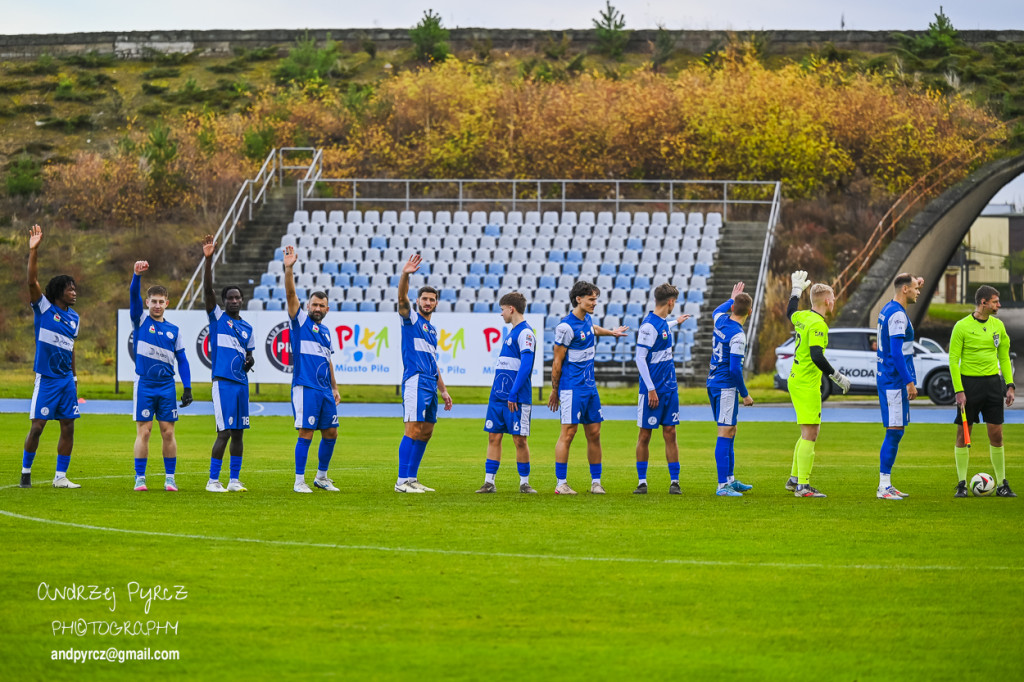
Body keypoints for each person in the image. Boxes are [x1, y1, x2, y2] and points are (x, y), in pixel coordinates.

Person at [547, 281, 628, 495]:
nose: (594, 303)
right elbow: (557, 362)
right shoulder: (565, 327)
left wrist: (611, 333)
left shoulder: (587, 320)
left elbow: (592, 330)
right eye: (591, 299)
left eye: (595, 299)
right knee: (568, 433)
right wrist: (555, 390)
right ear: (578, 299)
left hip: (590, 388)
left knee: (594, 433)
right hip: (572, 388)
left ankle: (596, 482)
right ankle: (561, 483)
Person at [19, 224, 81, 489]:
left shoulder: (74, 318)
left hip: (66, 380)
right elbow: (31, 281)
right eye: (70, 289)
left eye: (75, 289)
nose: (74, 292)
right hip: (46, 379)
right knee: (37, 427)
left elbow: (70, 348)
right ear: (58, 291)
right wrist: (34, 251)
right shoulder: (44, 308)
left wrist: (75, 378)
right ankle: (26, 472)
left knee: (68, 426)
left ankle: (60, 477)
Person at [785, 271, 851, 498]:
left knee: (807, 431)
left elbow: (790, 312)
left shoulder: (804, 316)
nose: (834, 302)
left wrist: (796, 291)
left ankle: (795, 479)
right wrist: (837, 376)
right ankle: (803, 486)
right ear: (828, 301)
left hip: (796, 379)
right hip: (806, 383)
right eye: (833, 299)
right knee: (811, 433)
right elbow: (816, 355)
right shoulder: (818, 325)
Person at [129, 260, 193, 492]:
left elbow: (182, 360)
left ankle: (170, 478)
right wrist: (136, 276)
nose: (157, 305)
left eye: (160, 301)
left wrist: (187, 387)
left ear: (167, 303)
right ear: (147, 303)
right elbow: (133, 297)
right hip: (145, 384)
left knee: (168, 432)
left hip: (166, 386)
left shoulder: (174, 330)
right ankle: (140, 478)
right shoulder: (140, 321)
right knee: (144, 431)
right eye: (153, 301)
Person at [283, 245, 342, 494]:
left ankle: (321, 477)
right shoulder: (300, 322)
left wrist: (335, 387)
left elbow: (328, 361)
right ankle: (299, 481)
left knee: (331, 432)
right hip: (306, 387)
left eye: (321, 306)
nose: (317, 308)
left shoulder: (326, 332)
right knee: (306, 432)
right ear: (308, 306)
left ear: (327, 309)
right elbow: (290, 295)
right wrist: (289, 269)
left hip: (325, 390)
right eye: (314, 304)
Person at [949, 285, 1016, 498]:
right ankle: (961, 484)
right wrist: (959, 390)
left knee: (997, 435)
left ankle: (1002, 484)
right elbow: (953, 360)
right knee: (963, 434)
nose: (999, 305)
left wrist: (1009, 385)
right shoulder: (961, 326)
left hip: (993, 385)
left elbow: (1004, 356)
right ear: (983, 302)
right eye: (995, 301)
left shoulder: (998, 326)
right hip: (969, 386)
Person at [395, 254, 453, 493]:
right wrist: (405, 275)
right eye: (424, 299)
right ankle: (401, 481)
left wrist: (444, 390)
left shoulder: (432, 330)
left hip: (430, 383)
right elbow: (401, 299)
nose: (428, 302)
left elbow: (433, 361)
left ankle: (412, 478)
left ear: (436, 303)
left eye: (432, 299)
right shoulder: (411, 319)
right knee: (412, 429)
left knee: (426, 431)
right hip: (416, 381)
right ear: (418, 301)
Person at [201, 235, 255, 493]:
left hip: (241, 384)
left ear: (242, 300)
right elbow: (207, 291)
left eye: (237, 298)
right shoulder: (217, 319)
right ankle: (213, 481)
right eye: (230, 298)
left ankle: (234, 480)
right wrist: (208, 260)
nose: (234, 301)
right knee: (223, 432)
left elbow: (249, 355)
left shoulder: (248, 328)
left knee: (239, 433)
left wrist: (250, 360)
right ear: (223, 302)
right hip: (222, 383)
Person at [477, 292, 538, 494]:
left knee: (519, 439)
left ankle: (524, 483)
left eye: (502, 309)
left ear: (511, 309)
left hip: (516, 397)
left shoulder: (525, 333)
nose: (501, 314)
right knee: (493, 436)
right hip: (498, 397)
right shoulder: (512, 333)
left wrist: (513, 393)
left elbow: (526, 365)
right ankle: (489, 482)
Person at [633, 283, 690, 495]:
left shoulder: (663, 322)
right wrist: (650, 389)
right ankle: (642, 482)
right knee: (645, 435)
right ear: (671, 302)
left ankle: (675, 481)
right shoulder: (648, 326)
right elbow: (640, 358)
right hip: (652, 391)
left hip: (669, 389)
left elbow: (664, 329)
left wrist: (677, 321)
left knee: (670, 433)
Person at [874, 273, 923, 500]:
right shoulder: (898, 316)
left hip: (888, 378)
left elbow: (908, 286)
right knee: (894, 431)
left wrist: (915, 282)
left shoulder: (889, 307)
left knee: (896, 430)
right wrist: (909, 382)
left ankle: (887, 484)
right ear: (905, 289)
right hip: (894, 380)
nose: (918, 291)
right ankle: (884, 486)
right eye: (915, 288)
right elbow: (896, 353)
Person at [706, 282, 755, 497]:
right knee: (725, 432)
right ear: (750, 312)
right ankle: (722, 486)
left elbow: (717, 310)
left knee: (731, 430)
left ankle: (730, 480)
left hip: (713, 382)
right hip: (725, 386)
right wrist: (745, 394)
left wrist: (730, 298)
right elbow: (735, 369)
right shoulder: (738, 336)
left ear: (733, 308)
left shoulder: (721, 320)